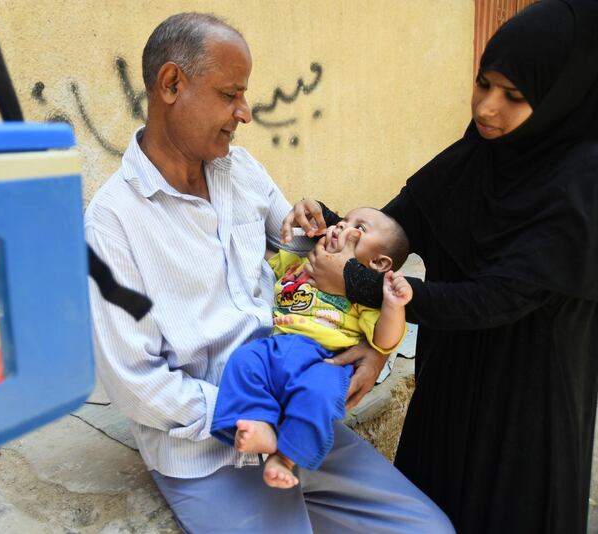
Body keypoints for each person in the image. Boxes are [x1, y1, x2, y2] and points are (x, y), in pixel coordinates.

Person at [85, 12, 453, 533]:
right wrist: (257, 410)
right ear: (172, 84)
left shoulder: (242, 171)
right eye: (230, 94)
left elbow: (309, 262)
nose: (246, 112)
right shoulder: (111, 224)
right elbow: (135, 382)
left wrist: (373, 340)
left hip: (301, 410)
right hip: (209, 452)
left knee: (427, 529)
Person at [281, 1, 598, 532]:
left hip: (527, 402)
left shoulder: (581, 182)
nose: (488, 108)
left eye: (514, 96)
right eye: (484, 83)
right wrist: (334, 227)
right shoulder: (481, 154)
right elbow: (402, 224)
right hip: (450, 376)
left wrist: (362, 285)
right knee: (433, 507)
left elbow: (496, 298)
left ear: (560, 96)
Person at [211, 208, 412, 490]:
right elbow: (259, 254)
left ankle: (285, 457)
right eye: (343, 220)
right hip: (277, 347)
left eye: (359, 228)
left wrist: (393, 304)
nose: (341, 225)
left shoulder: (363, 297)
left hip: (325, 360)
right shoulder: (298, 265)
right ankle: (259, 422)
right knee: (243, 361)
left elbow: (385, 340)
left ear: (378, 262)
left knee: (319, 396)